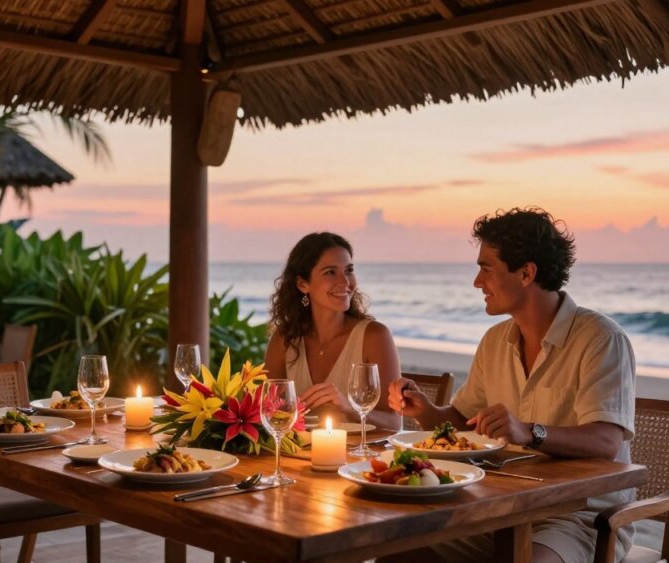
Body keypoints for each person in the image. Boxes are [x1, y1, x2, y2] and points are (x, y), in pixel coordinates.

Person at [387, 208, 636, 563]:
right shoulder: (495, 340)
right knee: (397, 550)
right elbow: (463, 422)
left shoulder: (600, 339)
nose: (476, 282)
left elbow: (606, 442)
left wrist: (529, 431)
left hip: (576, 517)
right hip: (499, 507)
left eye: (486, 268)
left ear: (526, 273)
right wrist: (426, 411)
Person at [264, 232, 401, 430]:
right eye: (330, 272)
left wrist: (349, 407)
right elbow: (268, 413)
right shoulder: (285, 339)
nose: (345, 282)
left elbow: (394, 424)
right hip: (297, 457)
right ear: (303, 284)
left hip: (359, 459)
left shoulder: (375, 336)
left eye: (349, 270)